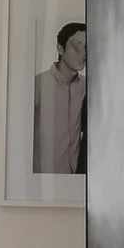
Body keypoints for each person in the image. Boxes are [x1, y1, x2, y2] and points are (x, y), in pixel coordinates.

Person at [32, 22, 87, 175]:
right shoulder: (38, 84)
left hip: (76, 179)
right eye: (77, 47)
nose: (83, 54)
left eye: (86, 48)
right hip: (43, 180)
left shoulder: (87, 87)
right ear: (60, 48)